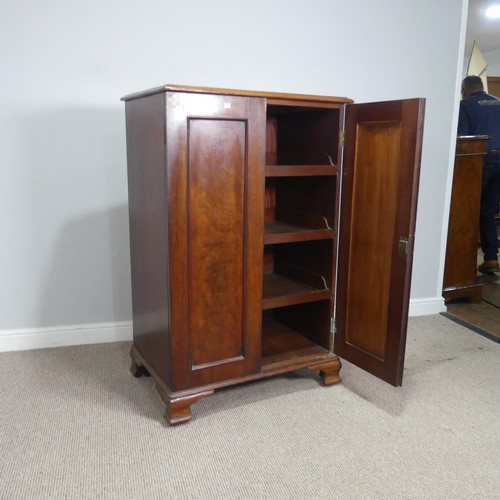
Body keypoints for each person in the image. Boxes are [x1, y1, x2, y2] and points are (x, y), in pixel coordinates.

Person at [458, 75, 500, 273]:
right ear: (481, 87)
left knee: (468, 209)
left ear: (464, 89)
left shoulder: (465, 105)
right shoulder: (498, 102)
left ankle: (463, 263)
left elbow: (463, 139)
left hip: (479, 161)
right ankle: (491, 257)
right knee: (488, 211)